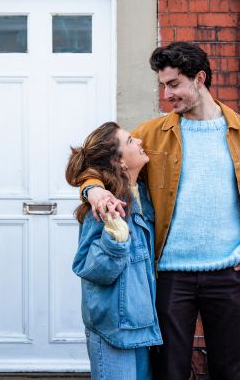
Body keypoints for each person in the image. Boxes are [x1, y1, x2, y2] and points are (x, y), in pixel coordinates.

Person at [80, 42, 240, 380]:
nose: (167, 95)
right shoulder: (152, 134)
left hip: (230, 275)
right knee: (169, 372)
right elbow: (102, 164)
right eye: (163, 85)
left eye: (174, 84)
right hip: (170, 277)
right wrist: (95, 190)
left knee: (228, 372)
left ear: (199, 78)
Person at [66, 122, 162, 380]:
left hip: (141, 327)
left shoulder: (142, 194)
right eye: (131, 141)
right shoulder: (103, 207)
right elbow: (91, 268)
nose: (140, 142)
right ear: (119, 161)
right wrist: (115, 240)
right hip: (114, 329)